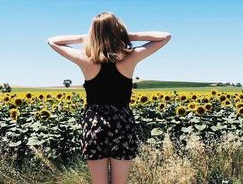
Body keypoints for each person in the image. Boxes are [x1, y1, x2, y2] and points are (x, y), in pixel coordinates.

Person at [47, 12, 171, 184]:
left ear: (94, 34)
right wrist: (124, 35)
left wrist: (92, 36)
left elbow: (52, 41)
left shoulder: (86, 60)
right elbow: (165, 36)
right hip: (122, 123)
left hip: (94, 123)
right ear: (118, 30)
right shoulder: (129, 57)